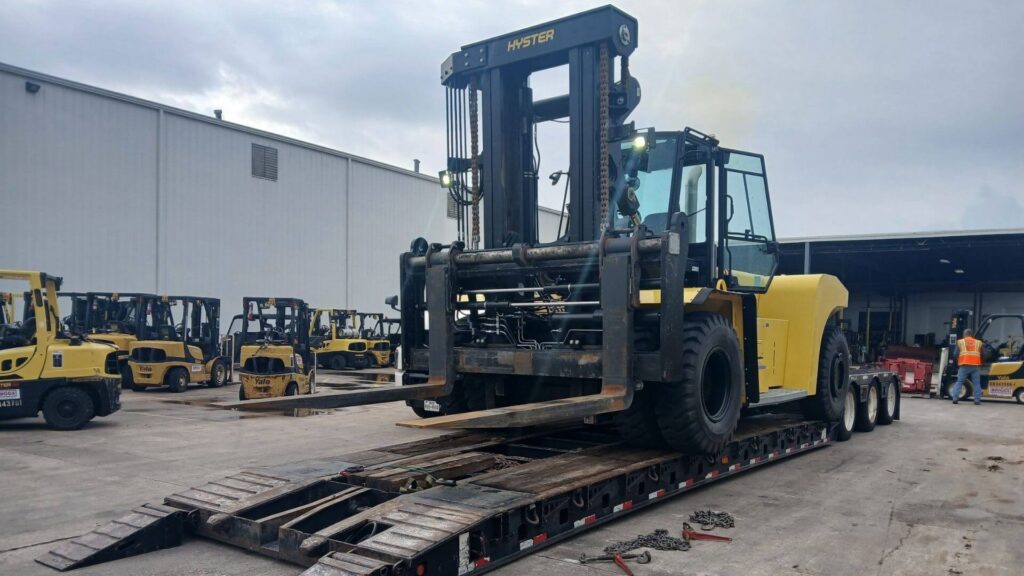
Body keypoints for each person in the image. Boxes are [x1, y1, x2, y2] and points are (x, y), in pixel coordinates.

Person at [951, 328, 983, 405]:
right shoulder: (979, 343)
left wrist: (958, 361)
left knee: (959, 382)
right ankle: (977, 400)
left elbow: (955, 354)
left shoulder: (960, 342)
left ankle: (955, 398)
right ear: (971, 335)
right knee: (976, 383)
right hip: (975, 366)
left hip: (964, 365)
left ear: (964, 334)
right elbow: (983, 354)